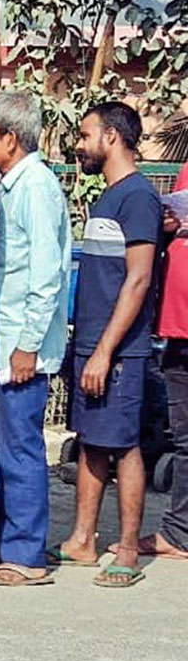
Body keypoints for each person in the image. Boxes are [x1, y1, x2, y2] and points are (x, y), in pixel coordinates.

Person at [55, 103, 162, 589]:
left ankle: (126, 549)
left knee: (123, 444)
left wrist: (105, 350)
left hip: (119, 351)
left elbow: (138, 281)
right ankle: (82, 539)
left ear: (112, 137)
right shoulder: (110, 196)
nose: (80, 143)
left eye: (86, 133)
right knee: (92, 440)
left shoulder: (137, 197)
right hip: (92, 343)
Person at [0, 91, 70, 587]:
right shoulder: (11, 185)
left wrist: (28, 344)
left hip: (21, 345)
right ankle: (2, 542)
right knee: (2, 448)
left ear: (10, 139)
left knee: (20, 450)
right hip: (5, 339)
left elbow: (46, 275)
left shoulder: (35, 187)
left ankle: (26, 553)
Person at [143, 140, 188, 564]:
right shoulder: (187, 169)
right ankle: (179, 532)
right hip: (177, 326)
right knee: (184, 436)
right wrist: (171, 224)